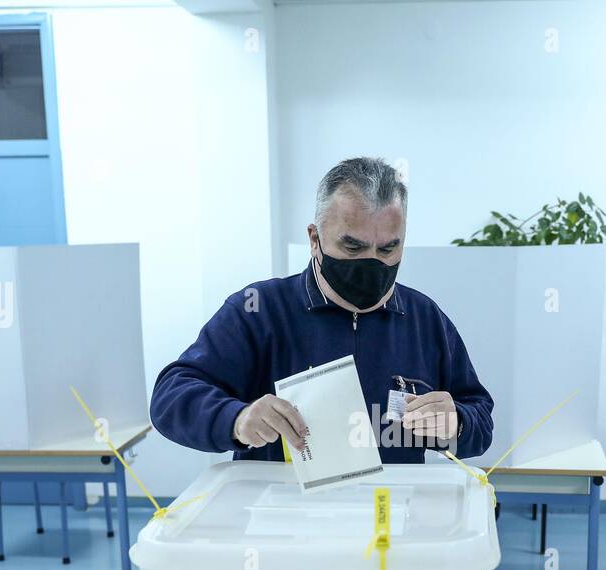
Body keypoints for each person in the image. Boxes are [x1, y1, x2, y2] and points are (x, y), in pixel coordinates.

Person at [149, 156, 494, 464]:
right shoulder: (259, 311)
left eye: (388, 248)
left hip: (390, 519)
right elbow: (171, 396)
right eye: (353, 246)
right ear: (315, 239)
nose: (372, 262)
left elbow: (480, 417)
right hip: (284, 519)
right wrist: (236, 420)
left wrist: (458, 423)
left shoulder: (425, 320)